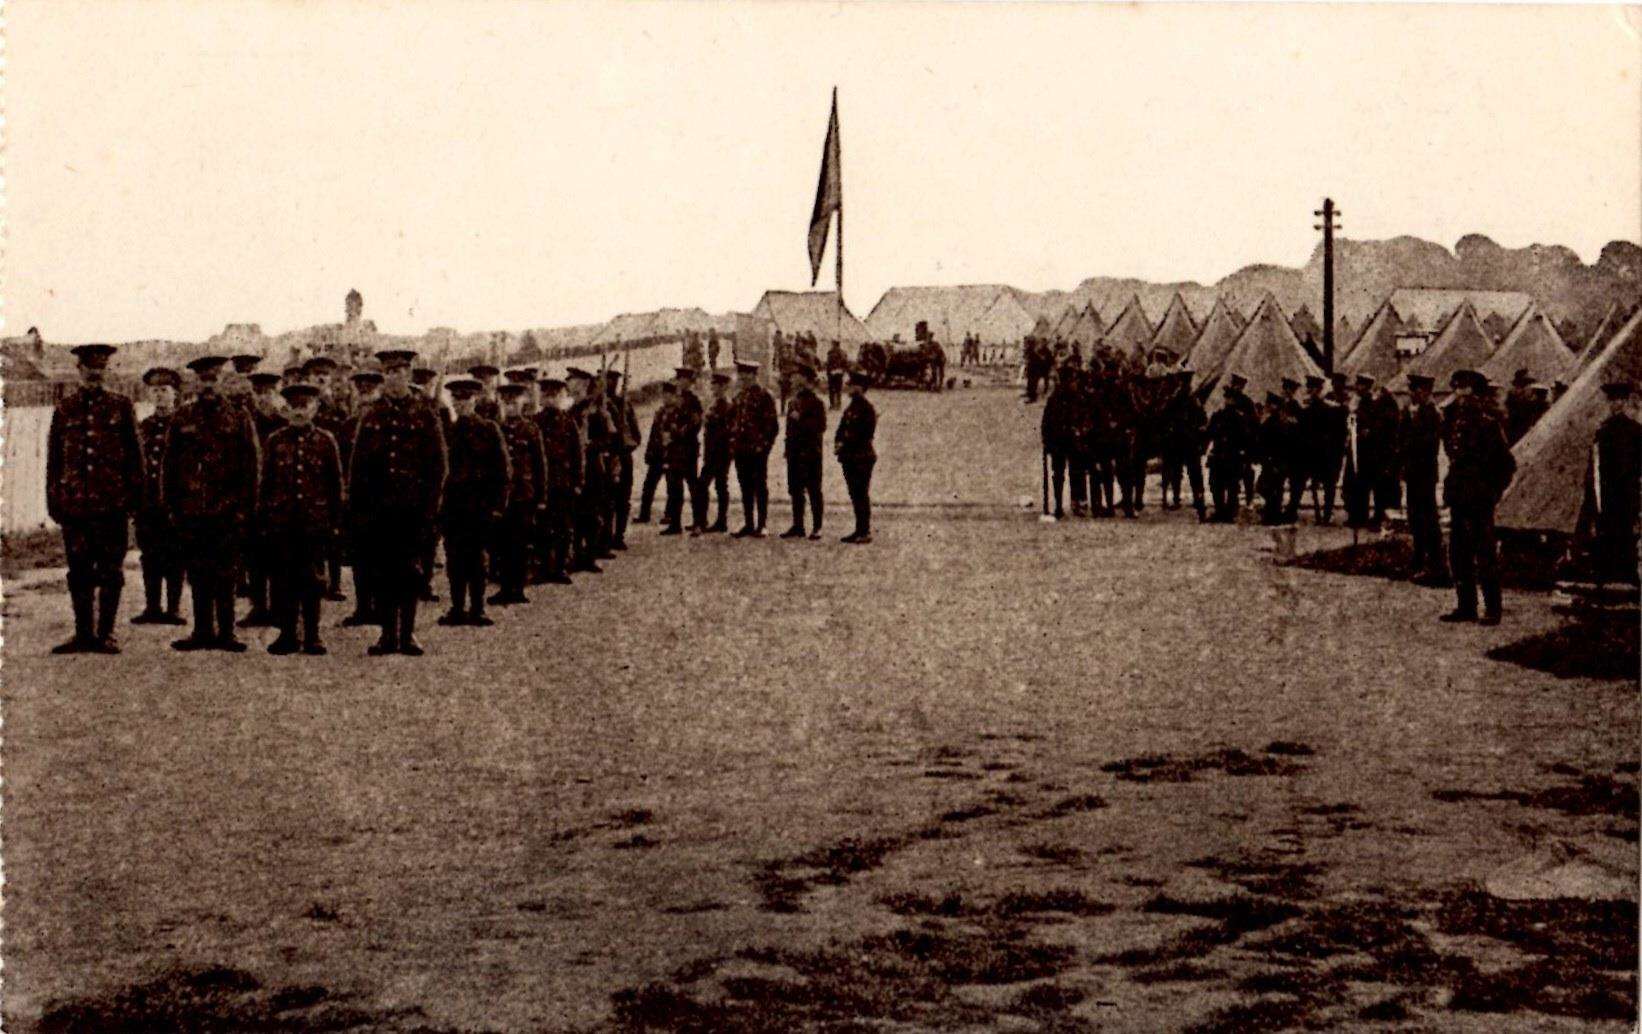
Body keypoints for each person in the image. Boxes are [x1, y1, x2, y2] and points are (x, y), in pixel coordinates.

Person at [349, 349, 449, 655]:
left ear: (409, 374)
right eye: (389, 372)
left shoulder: (424, 413)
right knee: (382, 572)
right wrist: (359, 510)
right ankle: (386, 634)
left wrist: (430, 507)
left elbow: (438, 465)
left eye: (400, 371)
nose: (394, 377)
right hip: (379, 511)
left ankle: (407, 634)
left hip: (412, 510)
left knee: (410, 572)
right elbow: (358, 467)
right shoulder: (372, 415)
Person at [45, 344, 143, 653]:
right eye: (89, 369)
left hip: (111, 505)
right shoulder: (65, 409)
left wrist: (133, 501)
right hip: (76, 507)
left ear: (107, 371)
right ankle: (83, 633)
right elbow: (54, 462)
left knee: (111, 571)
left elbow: (135, 459)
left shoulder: (122, 406)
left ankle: (107, 633)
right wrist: (55, 502)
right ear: (79, 371)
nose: (94, 373)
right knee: (79, 572)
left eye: (100, 369)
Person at [164, 355, 261, 652]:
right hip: (193, 510)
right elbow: (170, 467)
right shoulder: (182, 418)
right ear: (195, 382)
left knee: (226, 572)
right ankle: (202, 631)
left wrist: (246, 508)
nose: (208, 385)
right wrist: (172, 507)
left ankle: (227, 632)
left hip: (228, 510)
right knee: (197, 571)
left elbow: (251, 466)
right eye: (203, 380)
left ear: (222, 381)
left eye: (213, 379)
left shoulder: (238, 417)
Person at [259, 383, 344, 655]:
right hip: (282, 522)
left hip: (313, 522)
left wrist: (334, 522)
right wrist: (264, 518)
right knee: (283, 579)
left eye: (304, 406)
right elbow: (266, 484)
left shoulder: (325, 440)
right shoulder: (275, 441)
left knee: (312, 579)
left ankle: (312, 635)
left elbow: (335, 485)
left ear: (315, 408)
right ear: (286, 410)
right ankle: (287, 634)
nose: (298, 412)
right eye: (293, 407)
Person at [1441, 369, 1515, 625]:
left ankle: (1493, 609)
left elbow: (1507, 465)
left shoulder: (1488, 425)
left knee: (1485, 555)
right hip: (1460, 499)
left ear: (1477, 397)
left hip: (1480, 500)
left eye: (1466, 394)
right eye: (1458, 393)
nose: (1461, 399)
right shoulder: (1454, 424)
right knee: (1458, 553)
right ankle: (1466, 606)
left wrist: (1492, 494)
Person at [438, 379, 510, 626]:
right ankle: (457, 608)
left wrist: (498, 505)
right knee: (454, 558)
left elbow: (502, 471)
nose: (461, 404)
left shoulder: (489, 430)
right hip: (453, 507)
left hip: (479, 506)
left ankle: (478, 609)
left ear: (475, 400)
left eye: (465, 399)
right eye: (456, 399)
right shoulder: (447, 431)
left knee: (478, 559)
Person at [132, 366, 188, 626]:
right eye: (154, 391)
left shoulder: (185, 426)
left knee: (176, 553)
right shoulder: (143, 427)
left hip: (176, 503)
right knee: (150, 554)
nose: (159, 396)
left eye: (164, 391)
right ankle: (152, 607)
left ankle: (174, 608)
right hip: (148, 503)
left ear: (175, 394)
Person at [1575, 382, 1641, 584]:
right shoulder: (1604, 431)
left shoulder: (1634, 431)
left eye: (1619, 400)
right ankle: (1609, 573)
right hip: (1609, 490)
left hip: (1625, 490)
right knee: (1609, 531)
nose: (1616, 404)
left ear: (1626, 402)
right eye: (1612, 400)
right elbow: (1595, 465)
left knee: (1624, 531)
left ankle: (1623, 574)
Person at [238, 371, 288, 628]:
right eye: (258, 393)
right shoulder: (245, 423)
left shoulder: (284, 424)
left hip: (279, 501)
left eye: (268, 393)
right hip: (251, 499)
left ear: (276, 394)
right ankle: (258, 607)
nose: (263, 398)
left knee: (279, 558)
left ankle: (279, 609)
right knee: (254, 558)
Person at [493, 382, 546, 604]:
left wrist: (541, 497)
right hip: (502, 497)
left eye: (514, 402)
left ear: (522, 403)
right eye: (506, 403)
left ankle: (519, 588)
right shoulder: (495, 429)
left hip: (524, 495)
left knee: (522, 543)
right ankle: (505, 588)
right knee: (503, 544)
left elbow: (540, 465)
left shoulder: (532, 430)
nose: (511, 407)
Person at [340, 368, 384, 627]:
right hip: (356, 499)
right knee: (359, 556)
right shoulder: (347, 426)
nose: (365, 401)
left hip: (382, 498)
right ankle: (362, 607)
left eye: (370, 395)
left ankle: (380, 607)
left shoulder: (386, 424)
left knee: (381, 555)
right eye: (361, 395)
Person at [306, 356, 351, 602]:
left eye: (324, 375)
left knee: (333, 534)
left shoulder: (338, 410)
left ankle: (334, 583)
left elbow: (344, 448)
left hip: (328, 476)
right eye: (316, 375)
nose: (321, 378)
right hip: (306, 477)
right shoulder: (300, 405)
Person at [1401, 374, 1449, 586]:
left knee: (1427, 520)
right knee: (1416, 518)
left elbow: (1425, 446)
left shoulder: (1431, 413)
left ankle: (1435, 565)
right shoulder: (1419, 412)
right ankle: (1420, 561)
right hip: (1415, 473)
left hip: (1424, 474)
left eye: (1416, 390)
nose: (1412, 394)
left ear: (1425, 391)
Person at [535, 377, 581, 583]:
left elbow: (577, 454)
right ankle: (544, 567)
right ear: (542, 398)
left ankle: (561, 567)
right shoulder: (535, 422)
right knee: (542, 527)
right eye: (547, 395)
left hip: (563, 482)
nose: (551, 399)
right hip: (543, 483)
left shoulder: (568, 422)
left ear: (561, 397)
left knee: (564, 527)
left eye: (555, 395)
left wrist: (578, 481)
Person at [566, 367, 610, 571]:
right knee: (575, 514)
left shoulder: (596, 411)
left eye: (574, 382)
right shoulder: (570, 412)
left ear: (584, 385)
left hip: (593, 468)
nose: (570, 386)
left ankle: (590, 556)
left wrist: (589, 445)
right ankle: (577, 555)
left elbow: (607, 440)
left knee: (592, 513)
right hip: (575, 470)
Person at [729, 358, 779, 537]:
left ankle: (762, 524)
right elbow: (733, 420)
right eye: (740, 374)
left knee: (759, 486)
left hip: (757, 450)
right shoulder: (740, 396)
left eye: (745, 374)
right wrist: (733, 443)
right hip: (741, 449)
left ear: (753, 375)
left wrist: (764, 447)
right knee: (745, 487)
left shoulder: (765, 396)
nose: (742, 378)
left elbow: (772, 426)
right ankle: (749, 523)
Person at [782, 364, 829, 538]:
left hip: (810, 452)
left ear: (806, 379)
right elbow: (789, 429)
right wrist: (787, 449)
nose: (793, 378)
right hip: (794, 452)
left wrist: (801, 419)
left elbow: (820, 426)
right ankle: (798, 525)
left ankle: (817, 527)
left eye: (797, 375)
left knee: (814, 490)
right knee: (795, 490)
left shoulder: (816, 403)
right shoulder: (793, 401)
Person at [661, 366, 705, 536]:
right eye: (679, 379)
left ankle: (698, 523)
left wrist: (678, 432)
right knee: (674, 488)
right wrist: (667, 435)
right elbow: (667, 419)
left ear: (689, 382)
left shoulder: (693, 401)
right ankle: (675, 523)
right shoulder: (675, 399)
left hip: (687, 448)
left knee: (693, 487)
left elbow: (695, 423)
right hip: (674, 449)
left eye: (684, 380)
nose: (681, 383)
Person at [836, 369, 878, 543]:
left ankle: (864, 531)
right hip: (850, 457)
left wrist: (844, 442)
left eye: (851, 385)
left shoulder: (867, 409)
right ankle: (859, 529)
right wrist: (838, 442)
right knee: (855, 494)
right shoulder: (852, 407)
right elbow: (841, 428)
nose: (848, 388)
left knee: (861, 494)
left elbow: (865, 434)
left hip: (861, 457)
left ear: (860, 387)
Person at [1158, 368, 1207, 519]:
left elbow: (1164, 414)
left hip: (1178, 439)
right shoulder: (1192, 398)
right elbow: (1202, 419)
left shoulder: (1177, 397)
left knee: (1177, 470)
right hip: (1188, 440)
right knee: (1191, 471)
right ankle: (1198, 499)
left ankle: (1179, 498)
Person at [1041, 364, 1088, 519]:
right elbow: (1047, 422)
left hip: (1067, 441)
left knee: (1068, 473)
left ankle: (1067, 504)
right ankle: (1066, 504)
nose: (1075, 383)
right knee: (1069, 474)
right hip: (1063, 441)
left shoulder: (1070, 398)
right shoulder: (1061, 399)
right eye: (1073, 380)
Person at [1205, 375, 1250, 523]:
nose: (1228, 401)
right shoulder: (1219, 416)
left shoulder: (1238, 418)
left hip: (1232, 455)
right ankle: (1221, 511)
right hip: (1220, 454)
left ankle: (1228, 512)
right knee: (1216, 484)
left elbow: (1244, 437)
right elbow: (1210, 432)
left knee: (1231, 485)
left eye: (1230, 399)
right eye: (1227, 398)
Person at [605, 369, 642, 549]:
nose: (612, 384)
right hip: (607, 457)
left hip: (623, 456)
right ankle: (605, 537)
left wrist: (626, 446)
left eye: (615, 381)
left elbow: (636, 435)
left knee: (623, 499)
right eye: (608, 380)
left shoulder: (625, 405)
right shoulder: (601, 405)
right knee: (607, 499)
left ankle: (618, 536)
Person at [635, 382, 676, 525]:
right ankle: (644, 514)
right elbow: (653, 435)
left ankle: (669, 515)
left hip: (671, 455)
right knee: (649, 485)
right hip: (657, 455)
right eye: (664, 395)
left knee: (672, 487)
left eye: (669, 395)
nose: (666, 398)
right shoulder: (660, 412)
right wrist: (649, 453)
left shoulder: (677, 412)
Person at [699, 371, 734, 532]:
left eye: (716, 385)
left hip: (721, 452)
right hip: (711, 452)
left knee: (716, 485)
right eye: (713, 384)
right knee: (711, 485)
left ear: (724, 387)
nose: (713, 388)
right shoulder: (714, 404)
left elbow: (726, 431)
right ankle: (708, 520)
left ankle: (719, 521)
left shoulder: (726, 406)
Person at [1256, 392, 1294, 525]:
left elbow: (1274, 442)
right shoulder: (1276, 421)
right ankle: (1272, 513)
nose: (1267, 406)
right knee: (1270, 487)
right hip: (1274, 461)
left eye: (1269, 404)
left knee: (1271, 488)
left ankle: (1272, 515)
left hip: (1275, 461)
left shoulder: (1275, 422)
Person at [825, 340, 849, 409]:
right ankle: (837, 404)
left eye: (832, 344)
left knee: (833, 389)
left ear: (835, 345)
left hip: (834, 373)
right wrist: (843, 371)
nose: (832, 346)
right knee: (837, 389)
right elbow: (846, 364)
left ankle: (833, 405)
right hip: (837, 373)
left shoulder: (831, 352)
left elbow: (828, 363)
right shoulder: (842, 352)